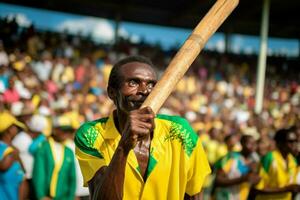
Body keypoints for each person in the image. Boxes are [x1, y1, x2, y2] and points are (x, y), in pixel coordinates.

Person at [75, 55, 211, 200]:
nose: (145, 90)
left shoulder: (181, 131)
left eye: (151, 84)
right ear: (112, 92)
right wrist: (123, 146)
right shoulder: (91, 135)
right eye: (133, 83)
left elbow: (194, 195)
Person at [32, 115, 76, 200]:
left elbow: (72, 177)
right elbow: (39, 173)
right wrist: (41, 196)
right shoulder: (43, 148)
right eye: (64, 130)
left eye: (69, 131)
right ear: (55, 130)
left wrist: (71, 197)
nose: (67, 133)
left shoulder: (69, 151)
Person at [253, 127, 300, 200]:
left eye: (296, 141)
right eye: (290, 141)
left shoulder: (292, 160)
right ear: (280, 143)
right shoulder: (269, 158)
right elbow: (258, 189)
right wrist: (286, 189)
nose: (294, 144)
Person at [213, 134, 260, 200]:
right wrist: (243, 179)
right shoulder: (231, 158)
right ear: (242, 144)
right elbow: (218, 180)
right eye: (249, 143)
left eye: (254, 143)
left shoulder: (255, 160)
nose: (253, 146)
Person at [0, 111, 27, 200]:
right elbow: (4, 166)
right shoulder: (10, 152)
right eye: (16, 127)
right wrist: (13, 153)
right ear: (9, 130)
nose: (17, 130)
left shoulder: (11, 150)